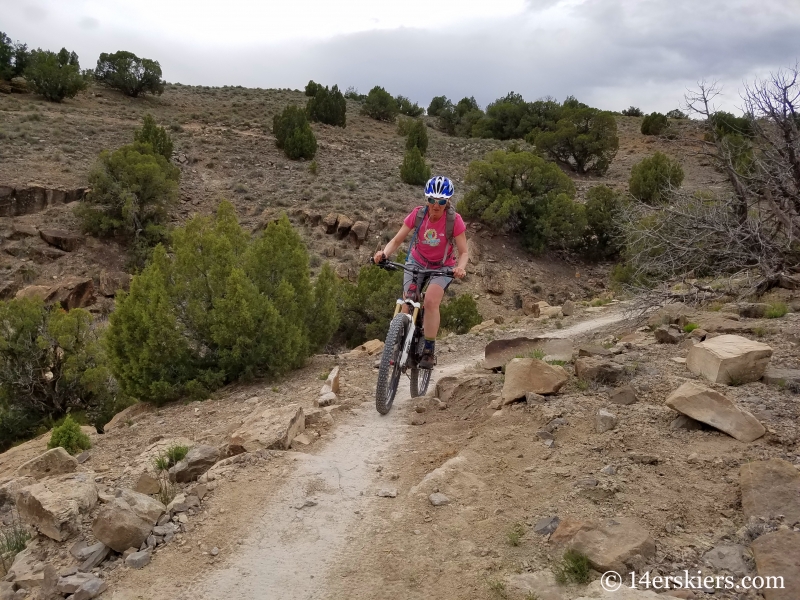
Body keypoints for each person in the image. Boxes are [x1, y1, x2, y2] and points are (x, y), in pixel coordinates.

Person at [373, 176, 468, 368]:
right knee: (407, 302)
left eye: (441, 201)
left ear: (448, 201)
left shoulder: (454, 220)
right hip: (416, 261)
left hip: (442, 266)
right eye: (432, 200)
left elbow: (464, 251)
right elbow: (397, 240)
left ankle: (428, 350)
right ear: (427, 199)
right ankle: (398, 348)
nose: (436, 205)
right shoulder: (418, 215)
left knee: (431, 300)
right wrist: (384, 253)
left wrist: (460, 268)